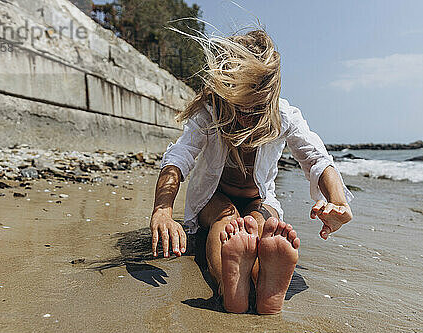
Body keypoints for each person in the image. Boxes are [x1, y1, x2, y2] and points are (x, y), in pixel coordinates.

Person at [150, 29, 354, 314]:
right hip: (214, 198)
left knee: (261, 226)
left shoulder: (284, 116)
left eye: (255, 109)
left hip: (259, 198)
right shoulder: (210, 113)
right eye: (238, 108)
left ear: (269, 99)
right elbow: (178, 157)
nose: (245, 118)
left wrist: (337, 201)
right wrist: (162, 210)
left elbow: (316, 158)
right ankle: (228, 287)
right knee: (227, 222)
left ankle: (261, 282)